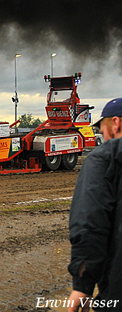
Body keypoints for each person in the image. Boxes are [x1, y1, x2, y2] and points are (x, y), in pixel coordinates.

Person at [67, 98, 122, 312]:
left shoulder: (106, 158)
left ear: (115, 123)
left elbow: (90, 221)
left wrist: (83, 285)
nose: (103, 135)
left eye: (102, 129)